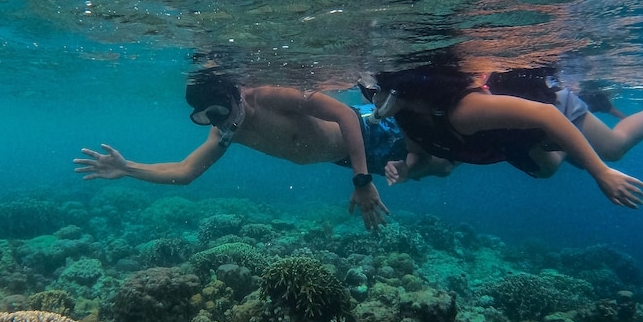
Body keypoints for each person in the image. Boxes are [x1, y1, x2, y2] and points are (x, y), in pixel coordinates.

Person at [74, 73, 451, 230]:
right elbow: (186, 172)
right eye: (206, 120)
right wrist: (128, 168)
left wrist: (362, 179)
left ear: (236, 96)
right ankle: (416, 164)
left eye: (221, 114)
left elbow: (344, 116)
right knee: (431, 168)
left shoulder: (272, 96)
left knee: (446, 160)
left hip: (370, 130)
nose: (219, 126)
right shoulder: (227, 131)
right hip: (342, 156)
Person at [360, 66, 643, 209]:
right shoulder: (409, 116)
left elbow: (545, 115)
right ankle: (579, 129)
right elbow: (420, 156)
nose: (373, 104)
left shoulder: (462, 110)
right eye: (368, 95)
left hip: (547, 110)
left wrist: (600, 173)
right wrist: (405, 168)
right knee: (545, 169)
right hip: (515, 138)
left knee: (614, 149)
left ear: (403, 90)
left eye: (375, 95)